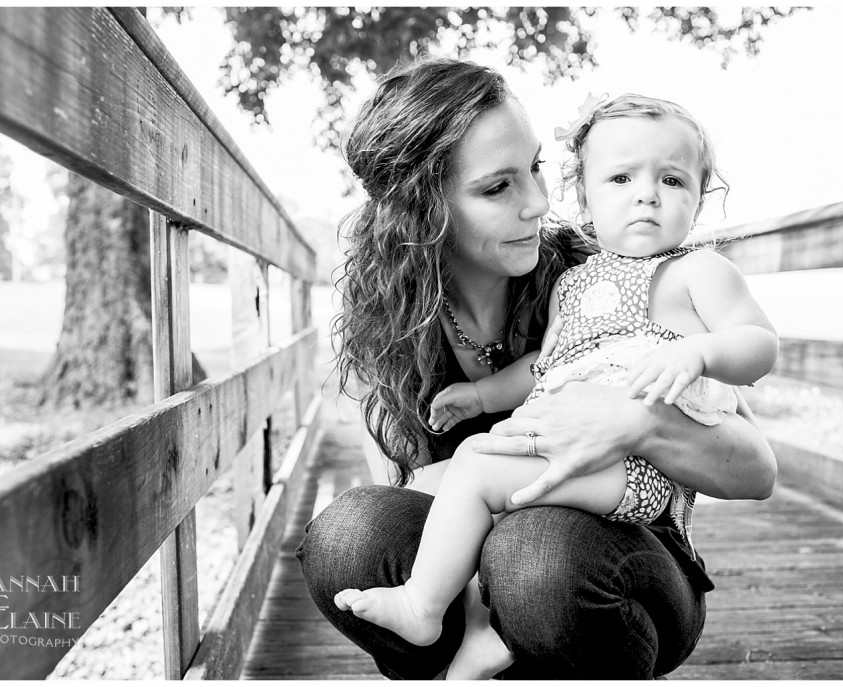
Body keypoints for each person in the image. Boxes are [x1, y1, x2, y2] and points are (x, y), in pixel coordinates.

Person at [296, 57, 777, 680]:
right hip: (480, 561)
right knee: (352, 534)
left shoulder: (602, 267)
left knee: (535, 555)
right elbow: (411, 494)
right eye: (498, 187)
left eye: (535, 169)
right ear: (424, 210)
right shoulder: (386, 328)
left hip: (622, 554)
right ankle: (465, 657)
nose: (539, 203)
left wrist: (639, 423)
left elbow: (757, 468)